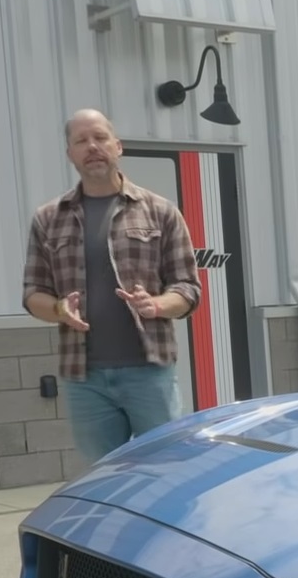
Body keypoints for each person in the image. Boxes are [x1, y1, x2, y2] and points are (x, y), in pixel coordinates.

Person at [22, 108, 201, 462]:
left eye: (100, 138)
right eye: (81, 140)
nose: (92, 146)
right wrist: (59, 309)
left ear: (118, 146)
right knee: (104, 478)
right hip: (84, 379)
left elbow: (187, 288)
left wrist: (156, 305)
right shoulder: (48, 218)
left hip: (149, 372)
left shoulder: (160, 211)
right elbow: (32, 294)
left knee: (166, 468)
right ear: (70, 153)